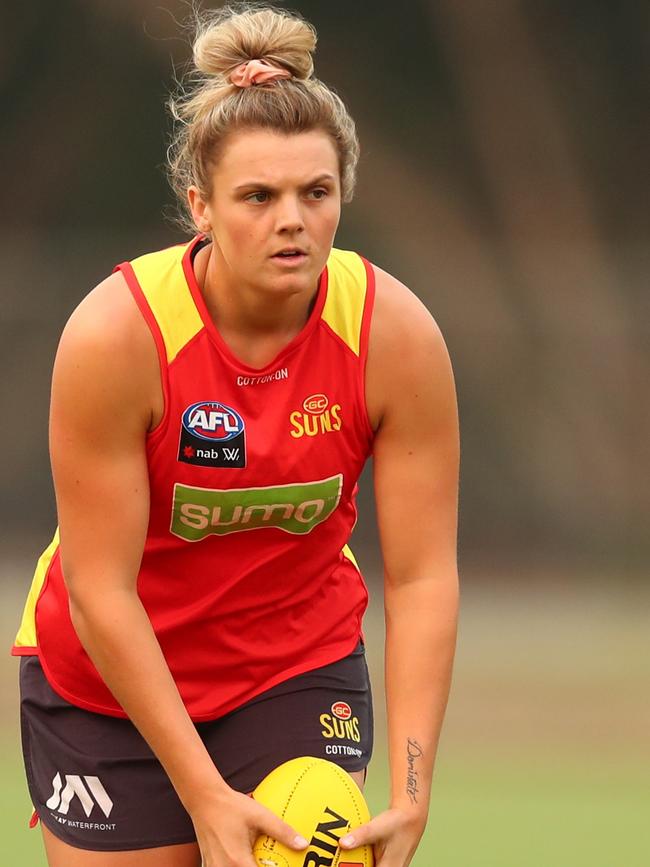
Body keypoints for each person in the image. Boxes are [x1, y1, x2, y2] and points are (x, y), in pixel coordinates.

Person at [13, 5, 459, 866]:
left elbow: (422, 573)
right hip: (111, 681)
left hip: (294, 669)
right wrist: (203, 792)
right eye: (259, 195)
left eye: (315, 193)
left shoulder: (393, 336)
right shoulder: (120, 336)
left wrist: (412, 791)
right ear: (201, 207)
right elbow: (102, 588)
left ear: (341, 198)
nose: (291, 219)